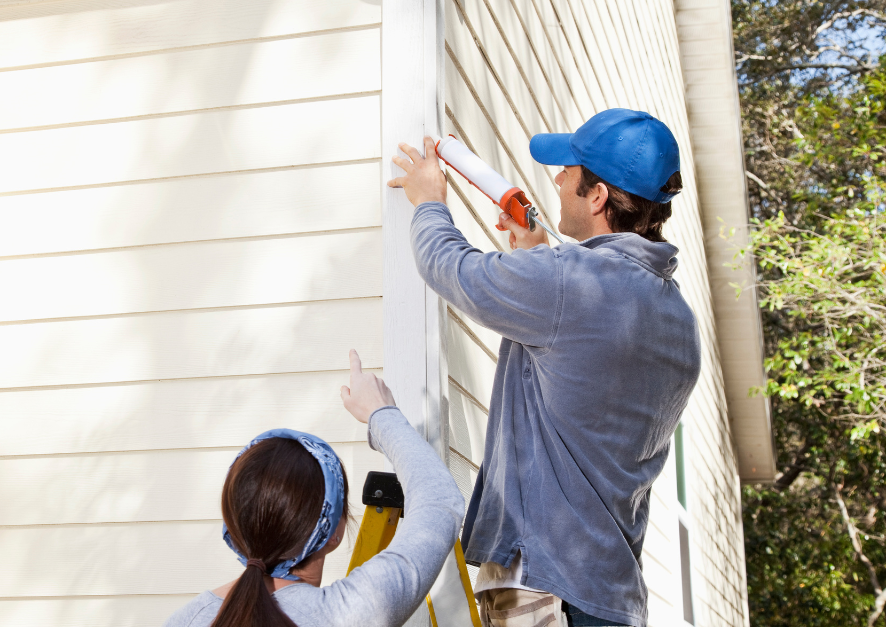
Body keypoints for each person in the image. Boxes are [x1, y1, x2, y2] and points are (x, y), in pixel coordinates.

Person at [386, 109, 703, 627]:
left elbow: (448, 266)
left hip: (546, 590)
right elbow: (586, 353)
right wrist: (536, 255)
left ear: (597, 197)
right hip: (613, 599)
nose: (557, 179)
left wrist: (428, 202)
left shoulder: (566, 283)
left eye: (569, 171)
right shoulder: (677, 319)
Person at [163, 350, 464, 627]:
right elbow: (438, 501)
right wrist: (381, 413)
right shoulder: (349, 612)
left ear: (234, 526)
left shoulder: (186, 619)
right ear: (333, 531)